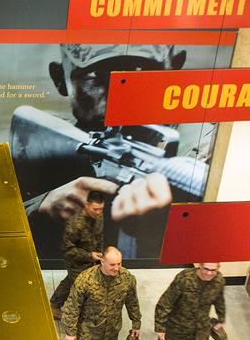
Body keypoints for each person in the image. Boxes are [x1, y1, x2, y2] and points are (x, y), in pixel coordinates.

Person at [21, 44, 191, 260]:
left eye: (141, 73)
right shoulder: (42, 149)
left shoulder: (203, 159)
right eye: (95, 75)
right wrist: (41, 213)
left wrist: (159, 235)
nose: (121, 93)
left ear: (175, 69)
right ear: (59, 78)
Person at [61, 247, 141, 340]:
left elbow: (132, 301)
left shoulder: (127, 278)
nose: (116, 268)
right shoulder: (86, 279)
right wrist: (70, 332)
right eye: (112, 264)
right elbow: (72, 306)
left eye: (119, 263)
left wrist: (136, 323)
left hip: (111, 332)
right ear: (102, 262)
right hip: (88, 332)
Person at [51, 191, 106, 319]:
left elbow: (100, 236)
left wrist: (99, 255)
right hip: (75, 261)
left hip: (93, 259)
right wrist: (89, 256)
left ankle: (54, 305)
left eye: (101, 209)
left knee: (71, 282)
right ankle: (75, 314)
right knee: (79, 286)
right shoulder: (74, 224)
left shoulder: (99, 217)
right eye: (95, 209)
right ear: (87, 205)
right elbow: (67, 250)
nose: (98, 212)